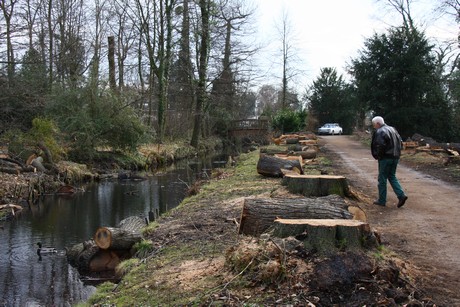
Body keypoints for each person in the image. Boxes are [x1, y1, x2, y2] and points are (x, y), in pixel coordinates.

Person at [370, 116, 408, 208]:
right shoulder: (393, 129)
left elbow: (380, 145)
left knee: (382, 178)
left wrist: (378, 156)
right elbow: (400, 142)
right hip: (395, 157)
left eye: (374, 125)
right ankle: (401, 195)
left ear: (378, 124)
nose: (374, 127)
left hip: (385, 158)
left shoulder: (380, 131)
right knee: (392, 176)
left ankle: (382, 200)